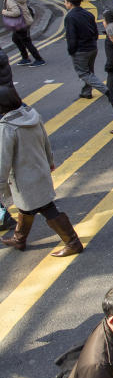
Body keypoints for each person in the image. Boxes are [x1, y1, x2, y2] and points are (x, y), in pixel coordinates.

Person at [0, 86, 83, 256]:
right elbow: (46, 141)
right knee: (27, 208)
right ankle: (19, 239)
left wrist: (1, 183)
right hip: (40, 169)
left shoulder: (7, 127)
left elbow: (3, 159)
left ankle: (73, 243)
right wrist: (50, 161)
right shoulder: (31, 114)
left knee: (46, 208)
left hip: (23, 178)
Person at [64, 0, 108, 99]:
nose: (65, 4)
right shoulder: (88, 14)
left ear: (70, 4)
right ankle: (86, 92)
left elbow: (71, 36)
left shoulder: (70, 17)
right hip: (92, 47)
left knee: (83, 73)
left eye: (65, 2)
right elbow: (95, 32)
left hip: (80, 50)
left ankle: (107, 91)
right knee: (89, 71)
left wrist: (71, 50)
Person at [1, 0, 44, 66]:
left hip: (20, 24)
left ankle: (39, 59)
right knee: (16, 39)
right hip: (25, 21)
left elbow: (16, 13)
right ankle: (25, 58)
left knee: (26, 42)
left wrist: (5, 12)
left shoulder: (10, 0)